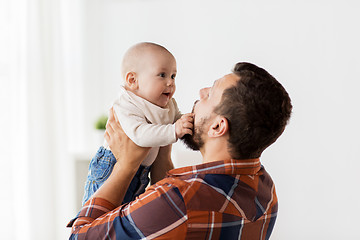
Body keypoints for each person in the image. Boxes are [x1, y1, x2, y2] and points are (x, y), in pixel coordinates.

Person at [68, 62, 292, 239]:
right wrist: (163, 152)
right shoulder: (265, 190)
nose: (201, 91)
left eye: (210, 93)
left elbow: (80, 238)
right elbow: (168, 227)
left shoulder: (179, 200)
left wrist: (126, 166)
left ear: (217, 126)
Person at [81, 42, 194, 206]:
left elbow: (176, 119)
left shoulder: (168, 104)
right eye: (162, 75)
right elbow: (140, 135)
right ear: (133, 80)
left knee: (125, 215)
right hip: (111, 167)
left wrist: (186, 121)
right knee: (101, 214)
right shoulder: (126, 104)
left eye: (173, 76)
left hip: (141, 171)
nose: (170, 82)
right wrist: (174, 130)